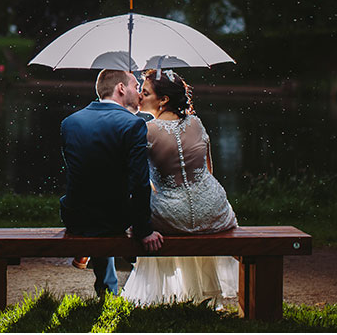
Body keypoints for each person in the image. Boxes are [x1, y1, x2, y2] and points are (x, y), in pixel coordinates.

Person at [121, 68, 238, 307]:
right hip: (212, 211)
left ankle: (161, 295)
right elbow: (209, 169)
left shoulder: (145, 130)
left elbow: (137, 178)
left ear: (163, 100)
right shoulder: (196, 122)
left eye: (145, 92)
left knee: (137, 217)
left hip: (170, 215)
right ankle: (202, 294)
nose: (140, 97)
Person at [60, 69, 163, 296]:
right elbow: (139, 183)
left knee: (100, 198)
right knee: (133, 206)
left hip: (74, 215)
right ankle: (116, 281)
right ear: (120, 88)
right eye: (135, 87)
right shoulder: (133, 125)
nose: (139, 94)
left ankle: (106, 287)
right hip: (114, 219)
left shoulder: (70, 122)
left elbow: (82, 174)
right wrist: (144, 230)